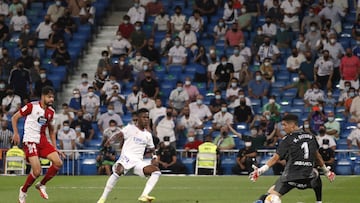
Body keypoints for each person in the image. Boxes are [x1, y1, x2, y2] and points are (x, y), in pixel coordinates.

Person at [249, 114, 335, 203]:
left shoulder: (287, 139)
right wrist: (326, 172)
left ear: (292, 125)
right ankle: (319, 201)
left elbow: (275, 158)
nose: (283, 128)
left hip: (290, 178)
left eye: (284, 125)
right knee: (316, 174)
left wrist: (260, 171)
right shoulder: (311, 137)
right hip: (308, 178)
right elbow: (317, 156)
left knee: (269, 196)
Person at [96, 108, 161, 203]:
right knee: (118, 171)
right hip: (126, 158)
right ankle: (102, 198)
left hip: (138, 162)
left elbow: (152, 149)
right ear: (138, 118)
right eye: (144, 117)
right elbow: (119, 135)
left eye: (147, 117)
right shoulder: (130, 128)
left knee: (156, 171)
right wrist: (110, 140)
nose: (146, 119)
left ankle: (144, 195)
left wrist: (154, 157)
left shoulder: (148, 135)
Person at [12, 86, 64, 203]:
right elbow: (14, 118)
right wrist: (16, 133)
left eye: (53, 97)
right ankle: (23, 191)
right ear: (43, 96)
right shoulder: (32, 106)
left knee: (58, 162)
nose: (52, 99)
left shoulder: (51, 112)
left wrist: (55, 147)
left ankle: (41, 184)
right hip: (30, 140)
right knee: (37, 171)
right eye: (49, 97)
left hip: (42, 140)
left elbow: (51, 130)